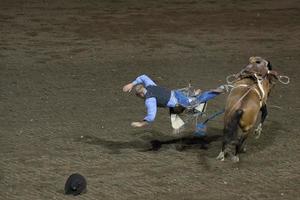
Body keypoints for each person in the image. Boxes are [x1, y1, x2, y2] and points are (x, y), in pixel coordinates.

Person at [123, 74, 227, 128]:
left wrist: (142, 123)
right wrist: (132, 84)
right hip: (175, 93)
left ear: (141, 94)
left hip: (178, 100)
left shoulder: (150, 100)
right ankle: (192, 95)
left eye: (138, 96)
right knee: (186, 100)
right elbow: (143, 77)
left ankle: (220, 89)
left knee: (196, 102)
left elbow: (151, 115)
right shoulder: (150, 85)